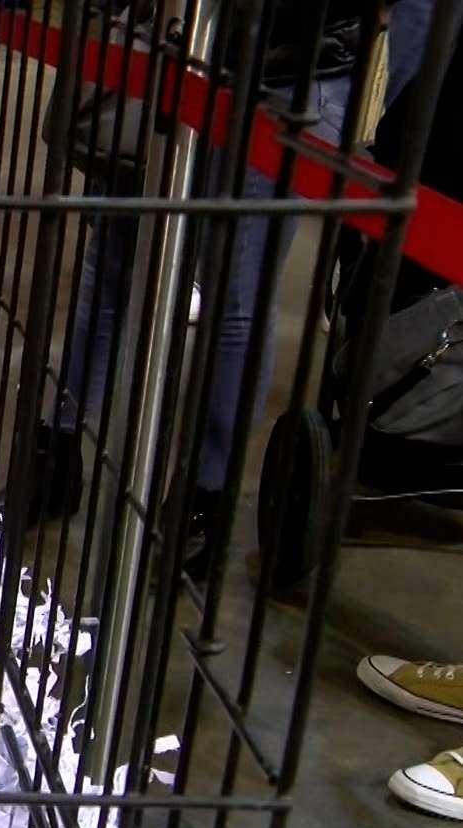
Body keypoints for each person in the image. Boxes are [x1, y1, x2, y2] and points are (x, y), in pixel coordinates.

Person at [29, 0, 383, 578]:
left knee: (236, 297)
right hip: (176, 49)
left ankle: (204, 497)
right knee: (112, 260)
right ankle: (57, 451)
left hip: (290, 70)